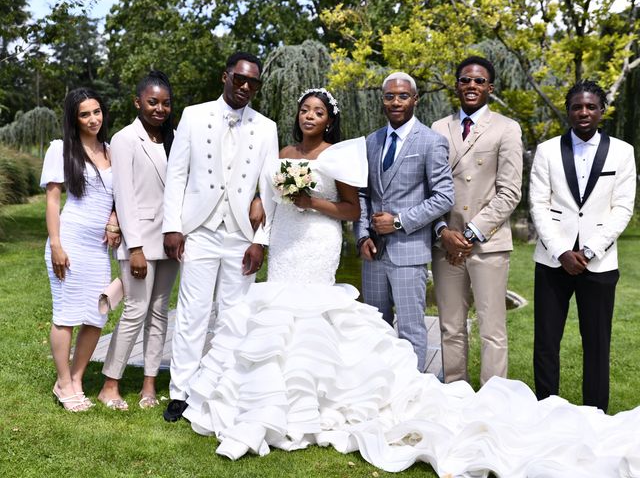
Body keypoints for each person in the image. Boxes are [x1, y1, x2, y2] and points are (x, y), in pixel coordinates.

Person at [182, 88, 640, 477]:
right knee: (297, 323)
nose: (309, 117)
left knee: (392, 327)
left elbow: (372, 200)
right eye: (305, 111)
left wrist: (337, 210)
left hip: (355, 244)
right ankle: (278, 400)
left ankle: (397, 399)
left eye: (318, 112)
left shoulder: (378, 146)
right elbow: (334, 200)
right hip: (292, 243)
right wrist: (276, 220)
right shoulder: (314, 148)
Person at [161, 51, 278, 422]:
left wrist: (262, 239)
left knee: (234, 316)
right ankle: (180, 392)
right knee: (192, 315)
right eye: (239, 79)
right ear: (224, 77)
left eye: (253, 83)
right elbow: (176, 174)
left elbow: (270, 191)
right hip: (199, 231)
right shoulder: (194, 116)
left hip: (242, 236)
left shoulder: (267, 127)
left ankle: (224, 389)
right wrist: (173, 226)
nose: (245, 86)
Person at [530, 80, 636, 412]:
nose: (584, 112)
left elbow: (622, 208)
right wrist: (561, 251)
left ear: (602, 110)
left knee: (597, 344)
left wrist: (589, 251)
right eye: (577, 106)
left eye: (591, 106)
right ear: (569, 111)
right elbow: (537, 204)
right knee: (546, 342)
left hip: (599, 264)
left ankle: (595, 415)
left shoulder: (622, 151)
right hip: (552, 261)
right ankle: (546, 410)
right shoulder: (547, 151)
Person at [431, 56, 523, 385]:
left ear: (490, 88)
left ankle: (493, 399)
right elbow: (429, 187)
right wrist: (443, 232)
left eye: (479, 81)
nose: (472, 86)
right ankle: (455, 394)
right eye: (465, 80)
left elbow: (510, 192)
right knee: (450, 327)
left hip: (488, 243)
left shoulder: (507, 128)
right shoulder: (438, 128)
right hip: (446, 246)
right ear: (456, 85)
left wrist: (469, 234)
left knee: (492, 330)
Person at [354, 71, 455, 371]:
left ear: (415, 99)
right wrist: (362, 236)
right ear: (382, 100)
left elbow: (444, 197)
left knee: (411, 331)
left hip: (409, 251)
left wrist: (398, 222)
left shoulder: (431, 142)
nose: (396, 102)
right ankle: (379, 391)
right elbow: (363, 194)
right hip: (373, 253)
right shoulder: (371, 142)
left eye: (402, 96)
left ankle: (411, 395)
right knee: (374, 327)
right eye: (389, 96)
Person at [97, 71, 180, 411]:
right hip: (139, 241)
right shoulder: (125, 139)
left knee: (160, 312)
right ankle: (110, 383)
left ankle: (149, 384)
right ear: (137, 102)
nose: (159, 109)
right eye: (152, 102)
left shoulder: (174, 138)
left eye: (165, 103)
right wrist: (134, 248)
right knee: (135, 310)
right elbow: (125, 197)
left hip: (171, 240)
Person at [42, 88, 120, 412]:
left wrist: (114, 218)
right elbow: (52, 199)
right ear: (74, 118)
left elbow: (119, 195)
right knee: (66, 315)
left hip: (97, 248)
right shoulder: (61, 150)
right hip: (70, 241)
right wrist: (57, 245)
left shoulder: (112, 150)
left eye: (97, 112)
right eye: (85, 114)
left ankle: (76, 378)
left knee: (96, 315)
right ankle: (63, 383)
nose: (93, 119)